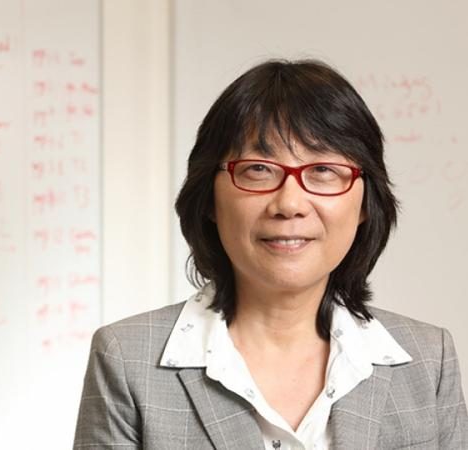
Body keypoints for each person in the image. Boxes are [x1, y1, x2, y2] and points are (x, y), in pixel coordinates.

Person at [73, 59, 467, 449]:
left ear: (366, 203)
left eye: (323, 170)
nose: (290, 203)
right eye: (259, 169)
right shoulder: (127, 360)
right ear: (209, 196)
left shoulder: (429, 361)